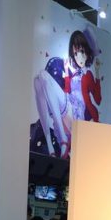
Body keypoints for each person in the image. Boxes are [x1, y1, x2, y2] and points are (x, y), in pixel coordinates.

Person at [33, 27, 101, 158]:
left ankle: (63, 140)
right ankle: (51, 146)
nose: (81, 57)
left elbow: (97, 98)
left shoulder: (87, 75)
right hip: (67, 112)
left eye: (84, 52)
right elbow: (66, 90)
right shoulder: (67, 67)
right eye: (78, 52)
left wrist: (97, 72)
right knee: (37, 80)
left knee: (42, 75)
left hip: (77, 120)